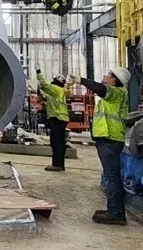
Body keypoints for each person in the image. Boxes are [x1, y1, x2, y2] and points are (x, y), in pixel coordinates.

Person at [73, 65, 131, 225]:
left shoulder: (115, 92)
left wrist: (82, 80)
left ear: (114, 80)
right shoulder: (116, 94)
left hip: (110, 139)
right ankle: (113, 209)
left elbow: (100, 89)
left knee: (112, 177)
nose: (105, 76)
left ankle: (116, 213)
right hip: (110, 139)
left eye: (109, 75)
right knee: (110, 175)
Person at [37, 69, 69, 172]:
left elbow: (45, 85)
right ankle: (60, 165)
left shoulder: (56, 89)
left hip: (57, 118)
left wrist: (38, 73)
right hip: (61, 119)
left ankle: (56, 165)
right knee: (60, 142)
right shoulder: (59, 92)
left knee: (56, 142)